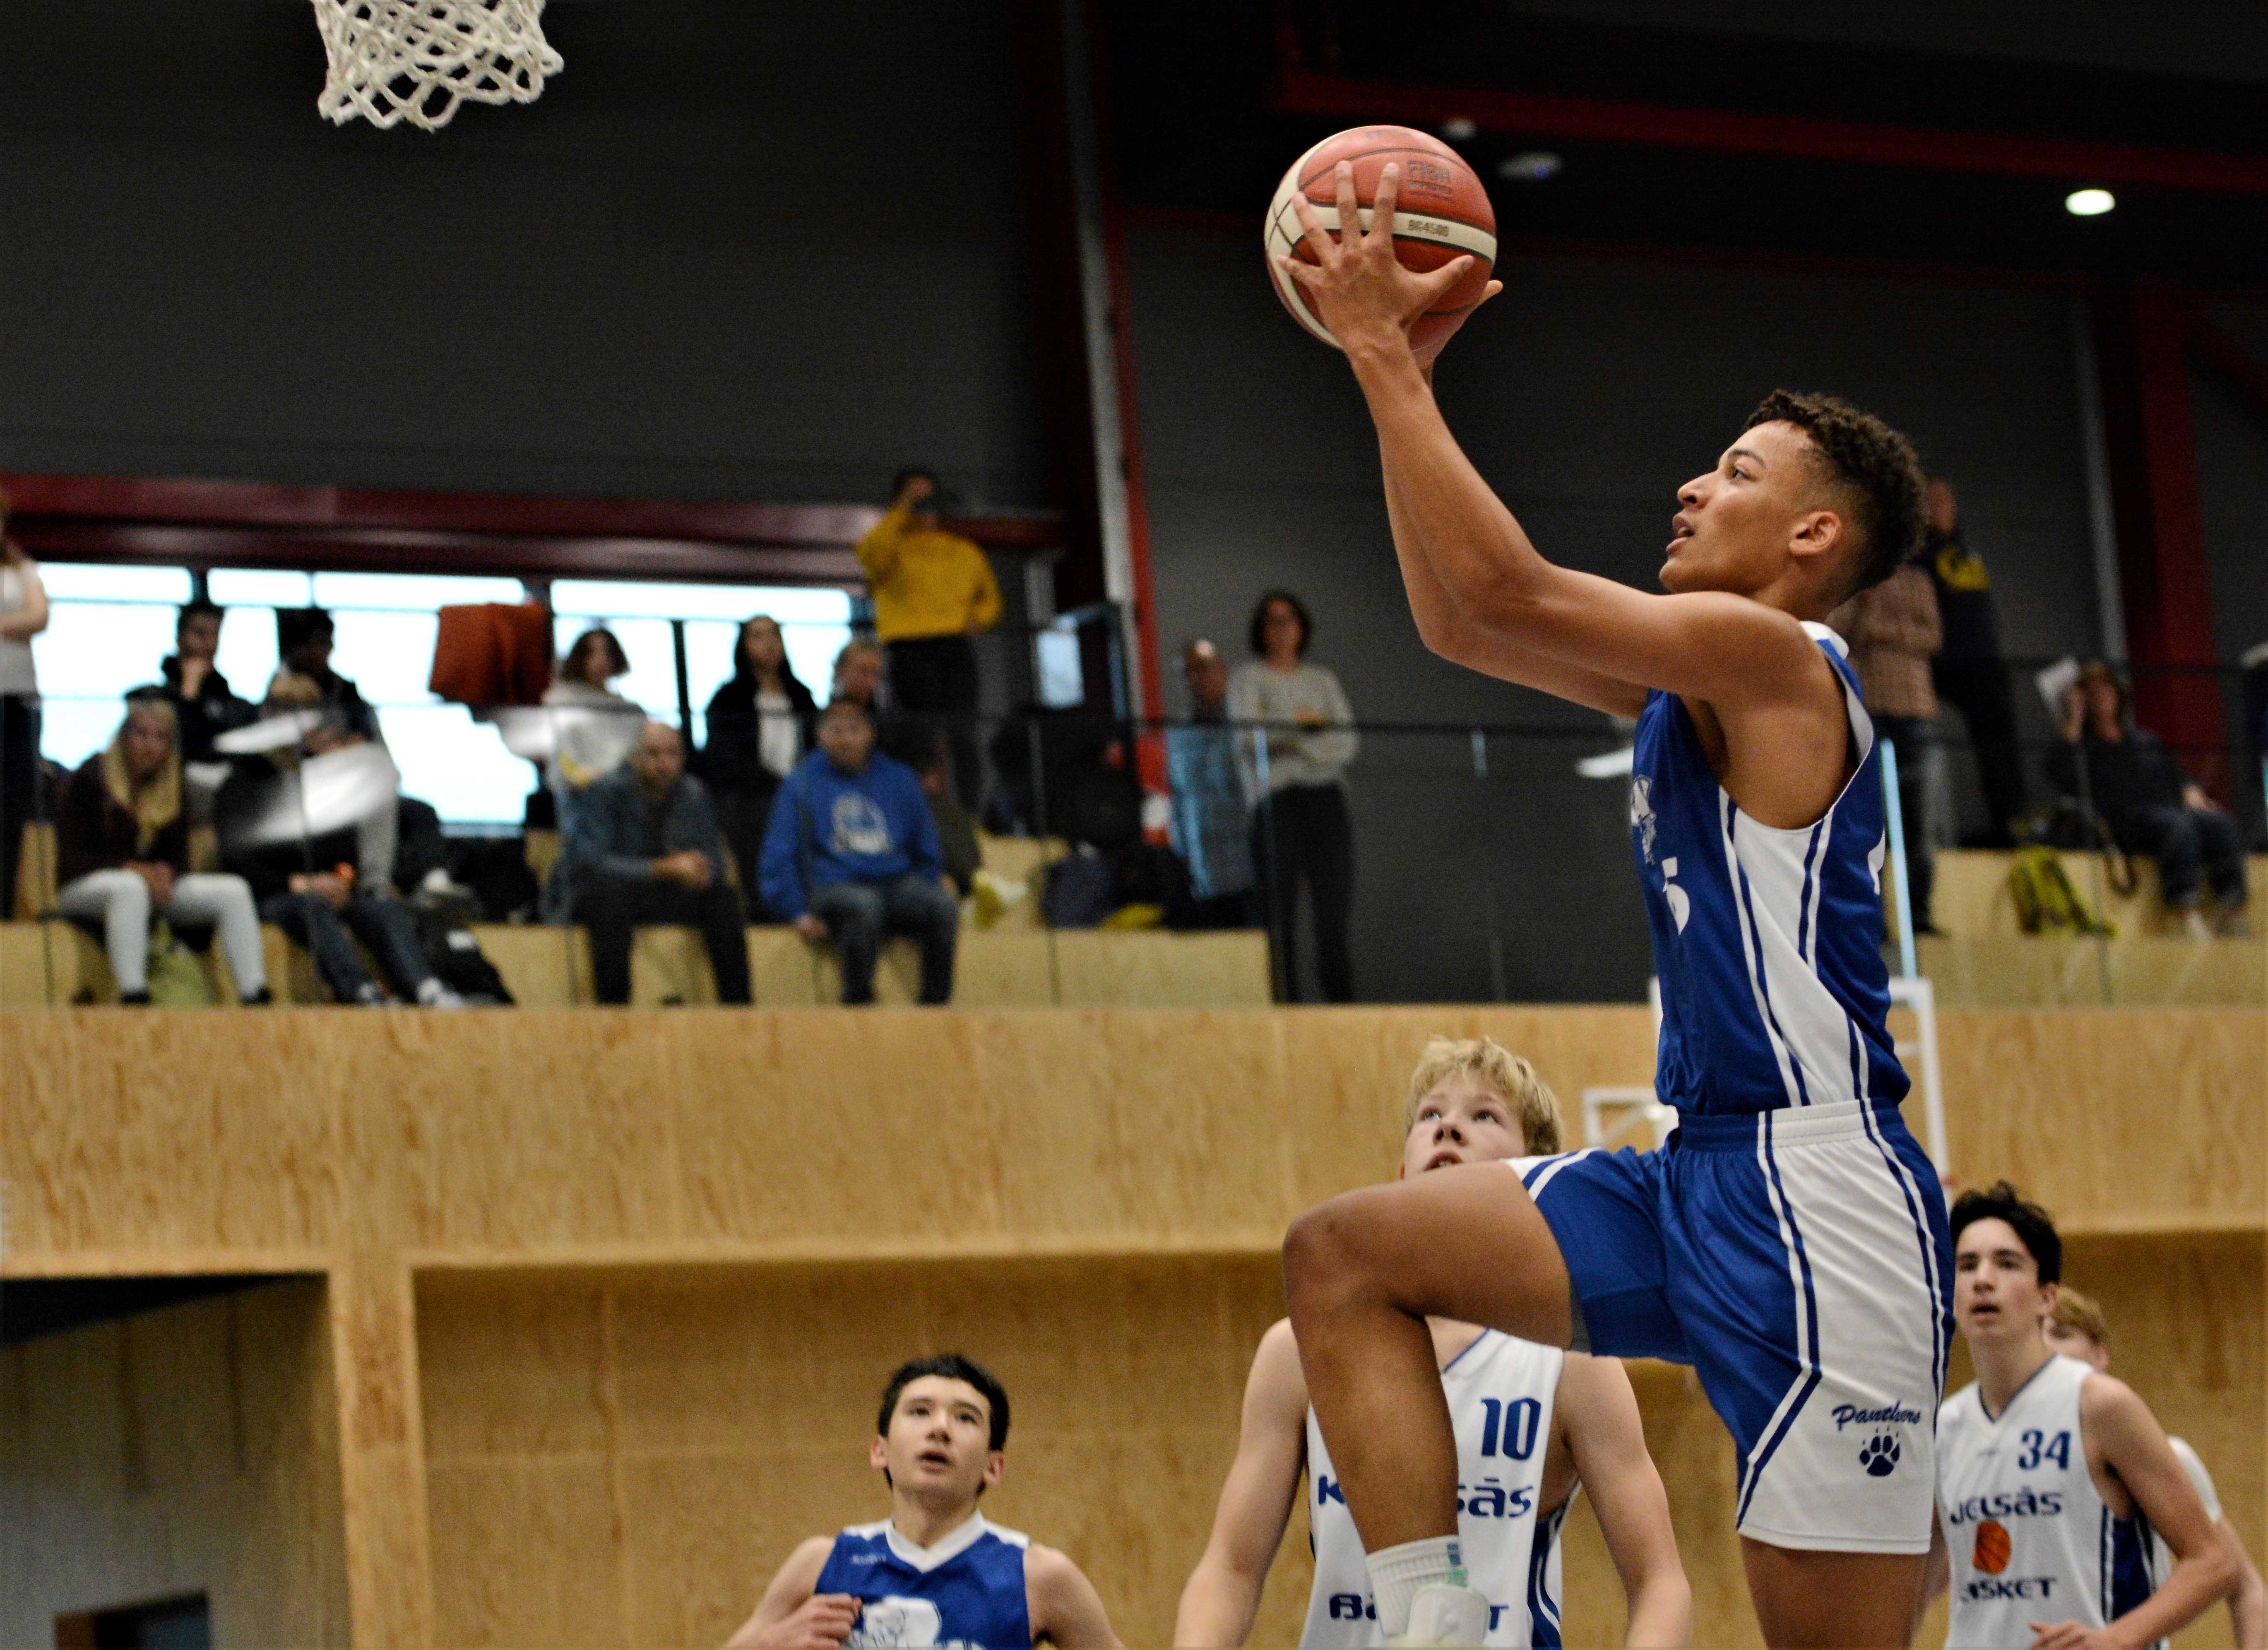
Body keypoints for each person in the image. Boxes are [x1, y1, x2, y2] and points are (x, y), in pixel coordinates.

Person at [1270, 165, 1950, 1650]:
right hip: (1692, 1168)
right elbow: (1461, 616)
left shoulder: (1783, 664)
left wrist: (1384, 351)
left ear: (1813, 542)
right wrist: (1400, 378)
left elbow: (1507, 580)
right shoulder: (1688, 686)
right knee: (1343, 1255)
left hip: (1823, 1207)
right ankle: (1436, 1626)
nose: (1695, 486)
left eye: (1739, 473)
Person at [1176, 1037, 1692, 1648]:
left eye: (1484, 1115)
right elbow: (1230, 1568)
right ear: (1400, 1173)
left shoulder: (1571, 1366)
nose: (1447, 1126)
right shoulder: (1294, 1352)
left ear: (1532, 1183)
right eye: (1430, 1115)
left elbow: (1660, 1581)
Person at [1926, 1183, 2237, 1647]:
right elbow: (1916, 1585)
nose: (1983, 1279)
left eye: (2006, 1263)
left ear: (2047, 1296)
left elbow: (2214, 1562)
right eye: (1967, 1265)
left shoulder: (2099, 1405)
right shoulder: (1943, 1426)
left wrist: (2116, 1639)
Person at [724, 1354, 1121, 1650]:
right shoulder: (820, 1563)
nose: (940, 1429)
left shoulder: (1039, 1576)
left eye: (965, 1418)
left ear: (993, 1467)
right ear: (880, 1451)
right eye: (919, 1412)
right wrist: (769, 1645)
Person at [2040, 1288, 2267, 1648]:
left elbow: (2246, 1588)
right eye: (2035, 1334)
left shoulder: (2162, 1456)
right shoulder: (1977, 1448)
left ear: (2099, 1356)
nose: (2045, 1347)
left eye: (2061, 1334)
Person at [217, 694, 460, 1008]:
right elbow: (236, 863)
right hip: (270, 895)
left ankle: (426, 987)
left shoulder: (316, 789)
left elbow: (343, 851)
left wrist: (341, 882)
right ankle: (360, 991)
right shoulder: (241, 786)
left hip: (325, 889)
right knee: (311, 907)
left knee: (382, 910)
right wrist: (298, 883)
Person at [54, 699, 269, 1005]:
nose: (150, 746)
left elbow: (179, 855)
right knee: (128, 889)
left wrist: (167, 873)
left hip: (151, 890)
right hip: (86, 885)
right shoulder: (91, 778)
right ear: (124, 736)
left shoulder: (172, 785)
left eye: (160, 737)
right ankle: (135, 994)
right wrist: (131, 869)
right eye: (141, 734)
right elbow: (75, 857)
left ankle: (255, 994)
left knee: (233, 891)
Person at [760, 699, 957, 1006]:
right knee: (864, 906)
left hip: (895, 884)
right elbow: (779, 854)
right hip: (832, 888)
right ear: (820, 736)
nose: (845, 739)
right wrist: (796, 910)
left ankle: (935, 1007)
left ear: (870, 734)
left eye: (853, 729)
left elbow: (926, 847)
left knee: (942, 905)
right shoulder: (799, 784)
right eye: (835, 730)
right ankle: (858, 1004)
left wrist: (926, 883)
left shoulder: (900, 779)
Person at [2045, 663, 2248, 939]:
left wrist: (2191, 791)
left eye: (2105, 689)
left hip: (2169, 810)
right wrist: (2074, 719)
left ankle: (2232, 910)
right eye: (2091, 693)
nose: (2101, 698)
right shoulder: (2083, 749)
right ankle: (2185, 912)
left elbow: (2180, 778)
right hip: (2128, 821)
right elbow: (2057, 770)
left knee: (2219, 823)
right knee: (2175, 826)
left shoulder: (2146, 742)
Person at [561, 719, 751, 1007]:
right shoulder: (606, 791)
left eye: (672, 754)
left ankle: (739, 1009)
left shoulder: (694, 793)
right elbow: (590, 862)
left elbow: (715, 858)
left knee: (723, 900)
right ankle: (614, 1011)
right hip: (618, 893)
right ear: (635, 758)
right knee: (608, 902)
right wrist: (661, 869)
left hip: (671, 893)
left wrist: (701, 870)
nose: (663, 764)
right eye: (653, 754)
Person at [1231, 591, 1359, 1002]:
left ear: (1302, 627)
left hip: (1326, 799)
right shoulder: (1247, 679)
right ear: (1261, 629)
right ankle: (1286, 1007)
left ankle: (1342, 1011)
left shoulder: (1323, 681)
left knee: (1332, 917)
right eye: (1272, 621)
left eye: (1289, 620)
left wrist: (1291, 740)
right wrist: (1308, 728)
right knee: (1279, 916)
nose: (1282, 629)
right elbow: (1251, 739)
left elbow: (1346, 744)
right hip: (1276, 801)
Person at [856, 470, 1002, 811]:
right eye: (914, 497)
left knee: (963, 735)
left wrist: (977, 619)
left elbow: (991, 600)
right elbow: (870, 555)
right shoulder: (889, 547)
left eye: (928, 497)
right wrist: (904, 507)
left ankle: (969, 816)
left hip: (953, 647)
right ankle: (915, 811)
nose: (924, 506)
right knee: (916, 737)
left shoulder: (963, 551)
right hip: (909, 649)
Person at [1828, 543, 1942, 933]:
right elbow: (1836, 633)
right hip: (1868, 708)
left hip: (1915, 710)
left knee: (1919, 825)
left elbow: (1933, 636)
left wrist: (1880, 630)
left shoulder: (1918, 581)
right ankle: (1874, 920)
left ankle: (1920, 916)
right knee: (1868, 823)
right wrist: (1866, 611)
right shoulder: (1850, 579)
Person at [1919, 482, 2026, 845]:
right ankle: (1925, 831)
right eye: (1932, 502)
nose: (1940, 508)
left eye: (1946, 501)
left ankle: (2010, 823)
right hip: (1943, 663)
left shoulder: (1968, 552)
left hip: (1984, 662)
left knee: (1998, 743)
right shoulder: (1918, 556)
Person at [702, 615, 818, 912]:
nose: (769, 645)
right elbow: (723, 760)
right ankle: (765, 909)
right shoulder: (728, 698)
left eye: (774, 636)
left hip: (801, 792)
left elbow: (816, 749)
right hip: (750, 797)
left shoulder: (801, 695)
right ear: (743, 646)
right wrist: (776, 786)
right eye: (758, 636)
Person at [1166, 639, 1257, 930]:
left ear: (1223, 671)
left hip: (1251, 868)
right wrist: (1180, 855)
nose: (1196, 679)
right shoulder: (1179, 735)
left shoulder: (1247, 723)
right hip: (1204, 871)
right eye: (1187, 672)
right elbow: (1178, 798)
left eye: (1203, 669)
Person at [0, 492, 48, 920]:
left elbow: (39, 617)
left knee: (12, 807)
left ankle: (5, 902)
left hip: (18, 699)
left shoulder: (21, 568)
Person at [144, 601, 254, 765]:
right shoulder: (151, 699)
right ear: (180, 637)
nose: (209, 645)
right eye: (200, 634)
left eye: (215, 635)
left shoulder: (234, 705)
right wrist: (188, 695)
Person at [273, 608, 382, 742]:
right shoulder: (279, 689)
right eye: (318, 643)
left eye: (327, 643)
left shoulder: (345, 690)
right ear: (298, 648)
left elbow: (364, 732)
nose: (325, 651)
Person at [832, 639, 887, 715]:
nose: (871, 682)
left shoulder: (889, 720)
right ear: (840, 670)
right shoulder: (816, 717)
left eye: (876, 674)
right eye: (863, 672)